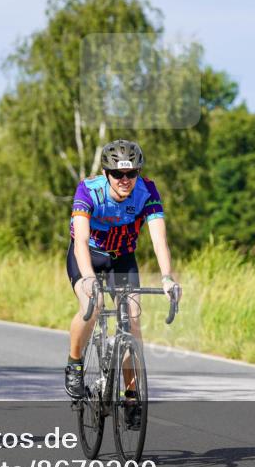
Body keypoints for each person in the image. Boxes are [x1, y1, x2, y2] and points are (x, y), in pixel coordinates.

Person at [65, 140, 181, 417]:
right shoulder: (88, 189)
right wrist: (90, 278)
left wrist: (167, 278)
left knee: (133, 320)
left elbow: (159, 239)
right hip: (88, 256)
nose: (125, 180)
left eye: (131, 174)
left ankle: (130, 395)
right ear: (106, 173)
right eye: (118, 174)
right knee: (90, 306)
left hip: (122, 258)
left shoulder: (147, 191)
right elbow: (80, 241)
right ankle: (75, 362)